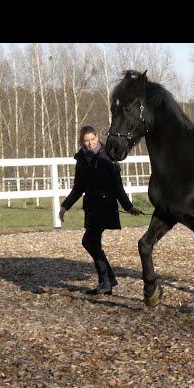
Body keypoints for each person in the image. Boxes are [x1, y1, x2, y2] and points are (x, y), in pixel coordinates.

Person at [59, 125, 142, 295]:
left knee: (89, 241)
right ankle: (108, 280)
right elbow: (78, 187)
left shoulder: (108, 156)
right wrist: (64, 206)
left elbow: (117, 185)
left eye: (92, 140)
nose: (90, 144)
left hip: (106, 205)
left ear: (97, 138)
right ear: (81, 142)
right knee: (91, 242)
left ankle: (106, 281)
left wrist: (128, 206)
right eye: (86, 141)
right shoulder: (81, 159)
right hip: (91, 206)